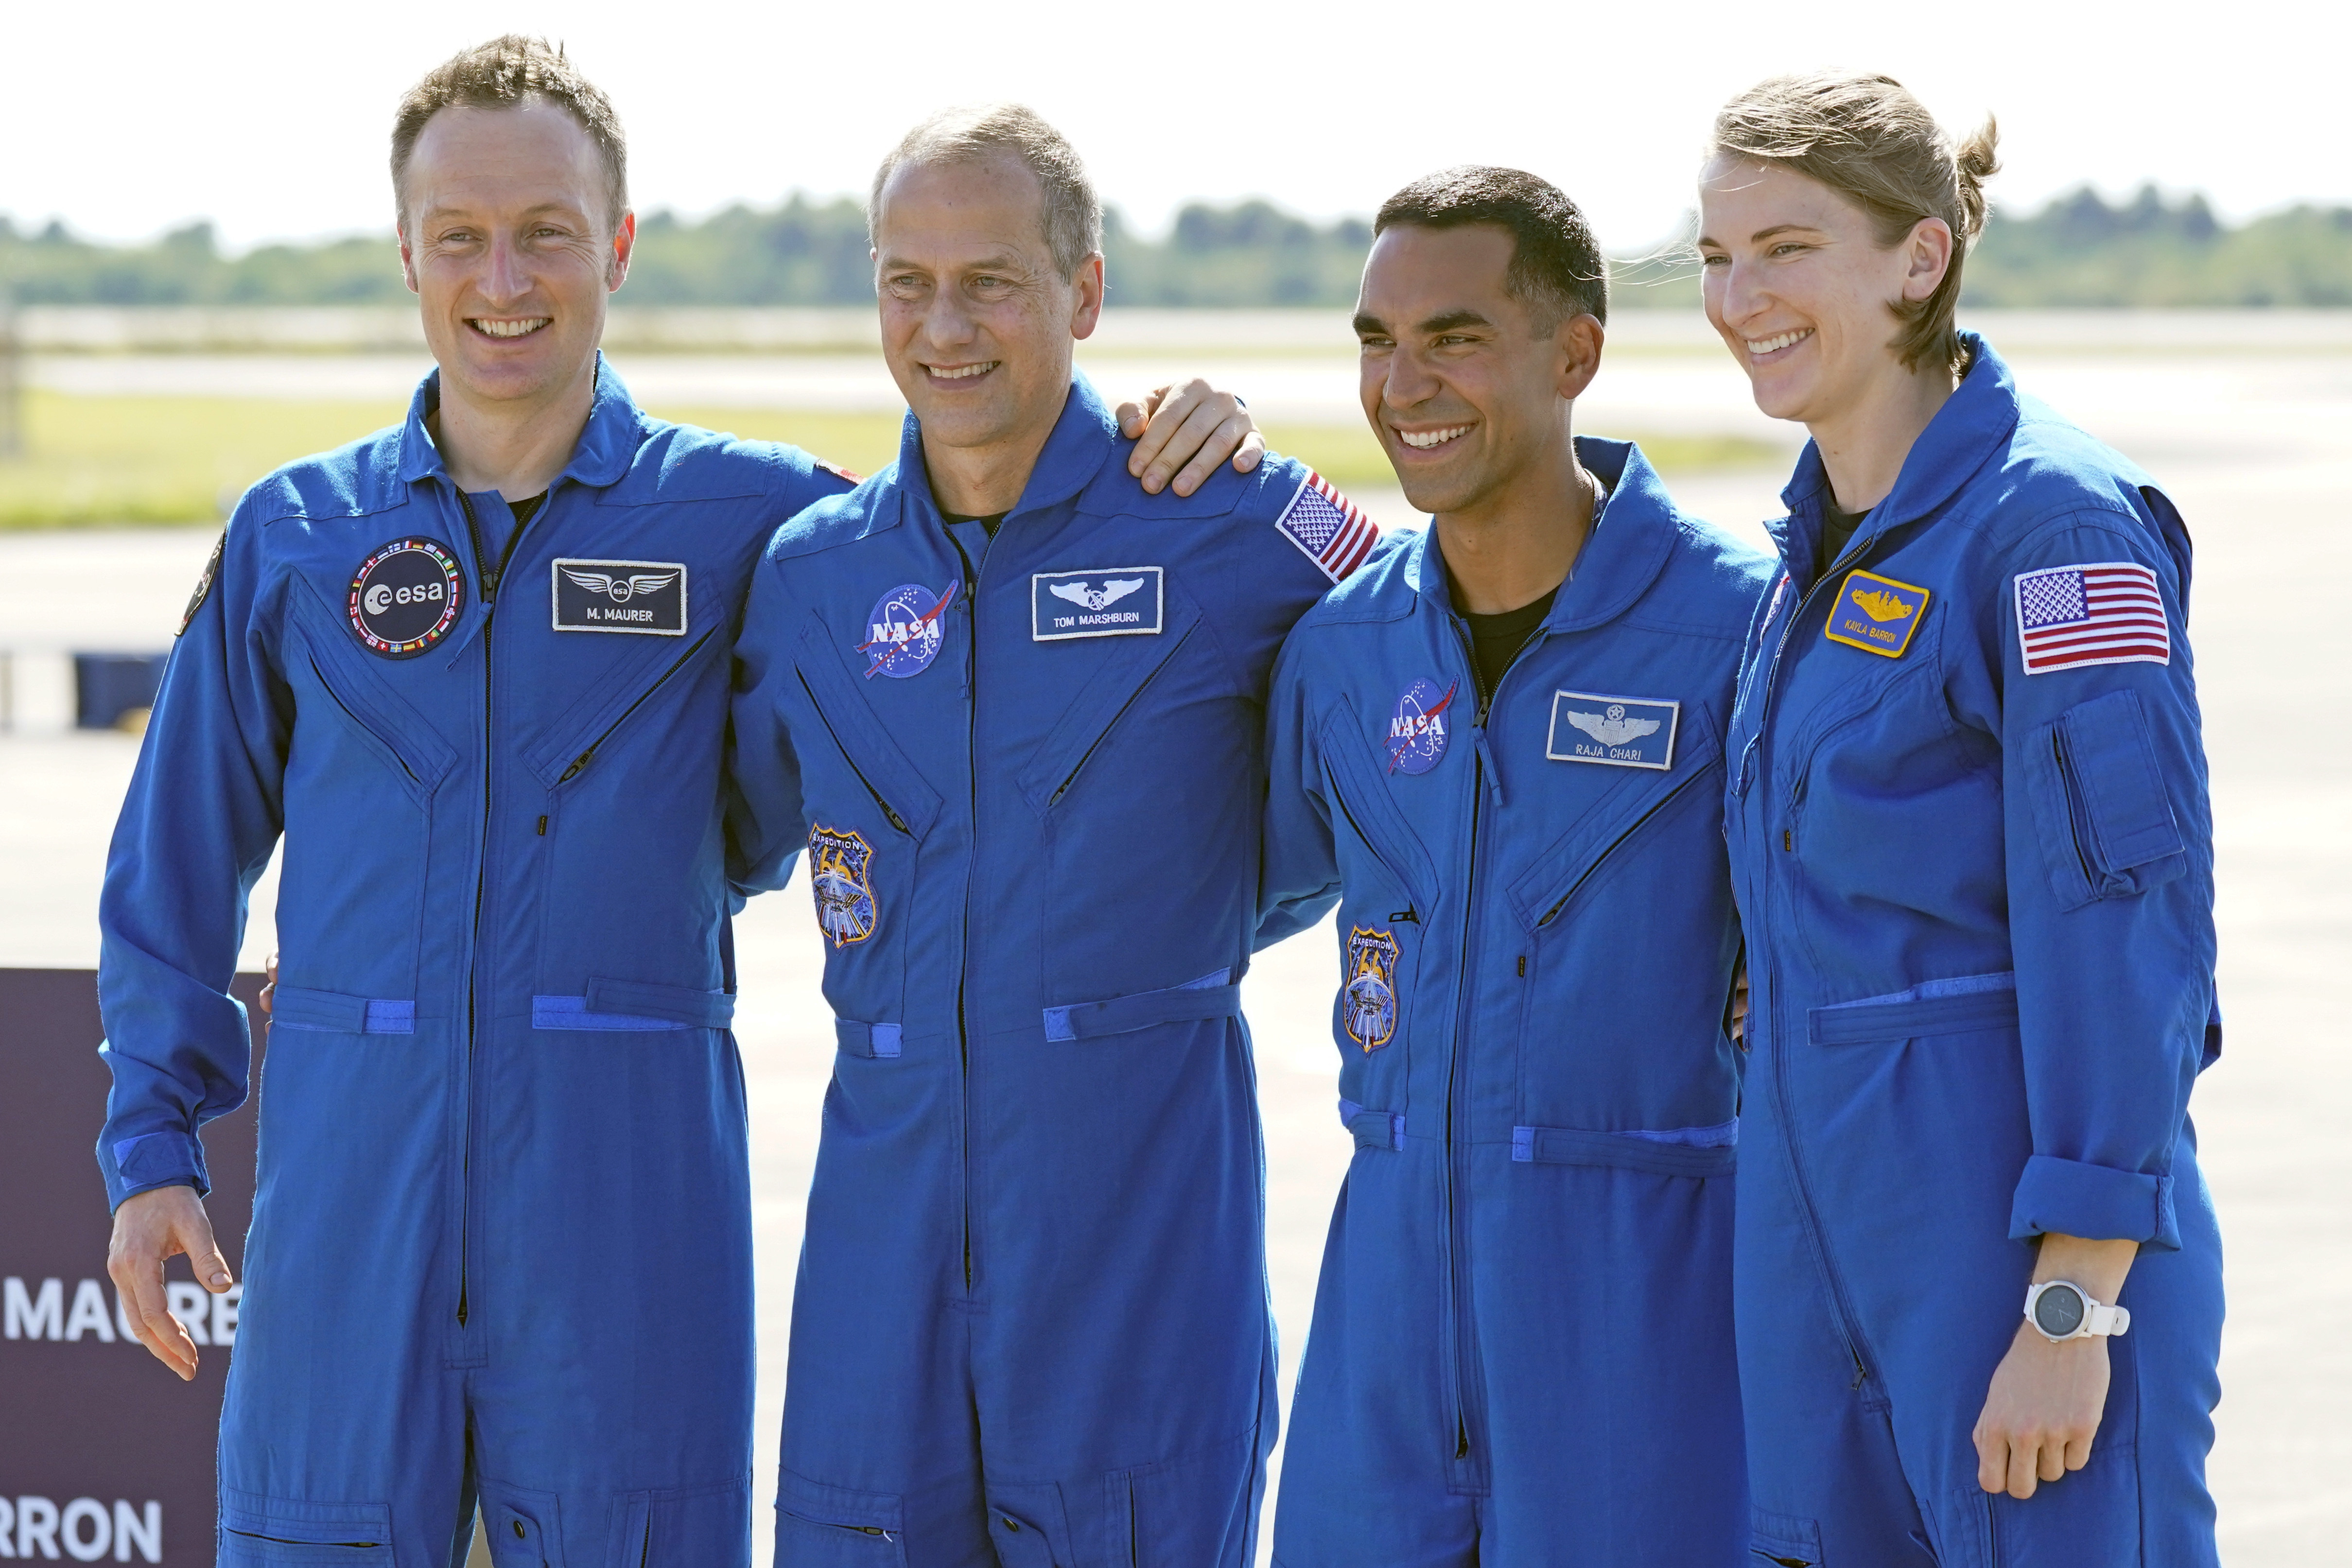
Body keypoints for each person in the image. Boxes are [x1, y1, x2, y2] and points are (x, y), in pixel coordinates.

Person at [94, 38, 1259, 1568]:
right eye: (461, 237)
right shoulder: (296, 538)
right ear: (408, 253)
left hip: (624, 1233)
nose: (503, 279)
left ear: (619, 246)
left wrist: (1169, 439)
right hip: (346, 1236)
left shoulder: (760, 520)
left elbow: (982, 533)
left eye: (548, 233)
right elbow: (177, 856)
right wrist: (154, 1145)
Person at [727, 104, 1376, 1565]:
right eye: (908, 280)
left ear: (1085, 293)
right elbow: (697, 830)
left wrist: (1224, 904)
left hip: (1139, 1266)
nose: (943, 326)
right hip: (875, 1275)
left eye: (992, 281)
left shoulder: (1224, 519)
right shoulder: (815, 578)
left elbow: (1445, 664)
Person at [1698, 72, 2224, 1566]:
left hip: (2016, 1292)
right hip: (1825, 1281)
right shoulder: (1809, 557)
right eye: (1718, 254)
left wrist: (2074, 1299)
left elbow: (2129, 921)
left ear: (1918, 259)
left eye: (1787, 247)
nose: (1740, 296)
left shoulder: (2051, 529)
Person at [1255, 168, 1768, 1567]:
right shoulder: (1344, 653)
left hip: (1647, 1332)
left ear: (1576, 354)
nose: (1403, 383)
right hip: (1385, 1337)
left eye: (1457, 337)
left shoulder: (1739, 635)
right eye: (1376, 339)